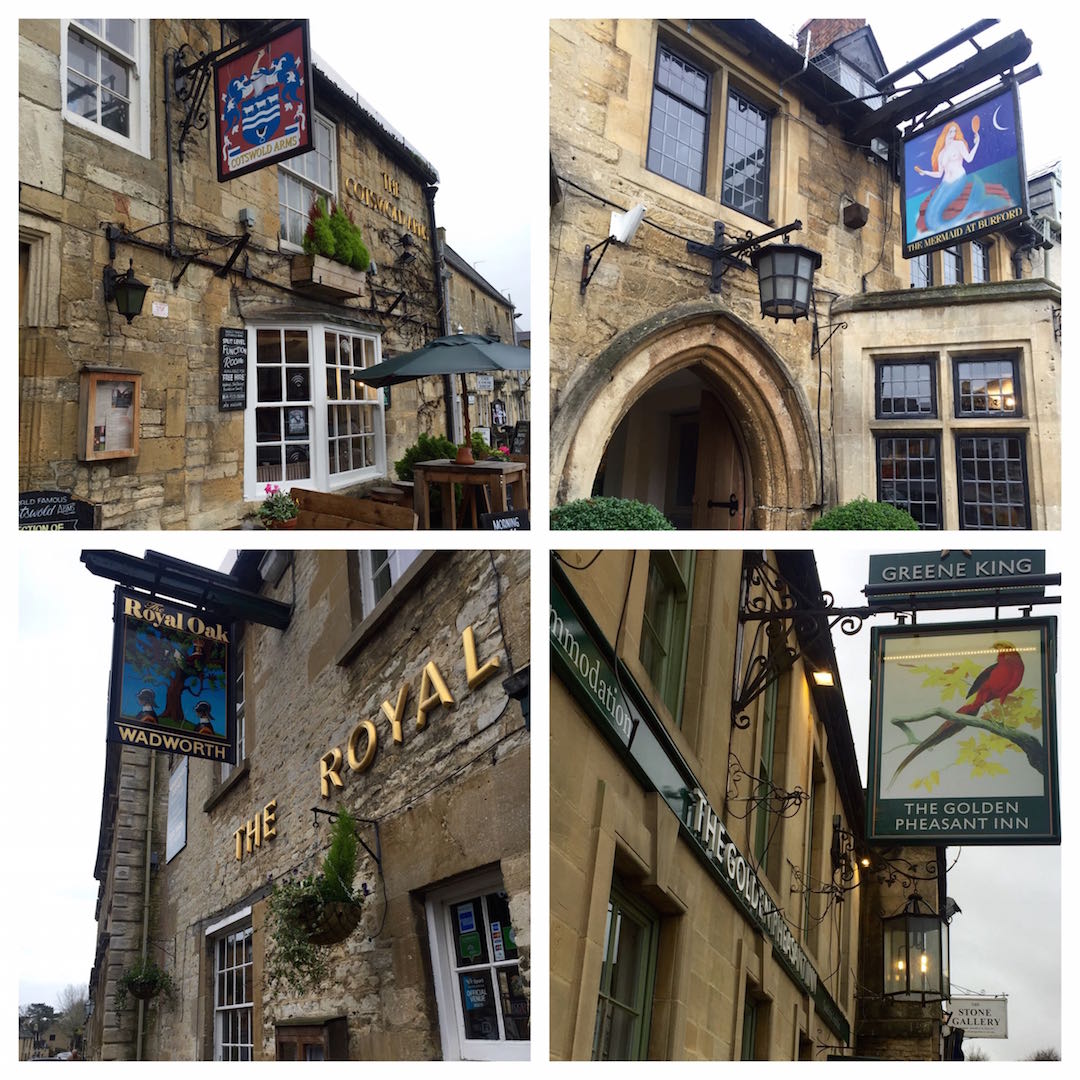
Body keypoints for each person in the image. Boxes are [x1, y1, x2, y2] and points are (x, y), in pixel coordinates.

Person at [911, 116, 1013, 236]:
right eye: (950, 131)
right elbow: (939, 174)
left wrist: (977, 143)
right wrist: (925, 172)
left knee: (936, 221)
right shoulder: (941, 153)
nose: (953, 134)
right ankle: (973, 206)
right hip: (945, 182)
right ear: (945, 132)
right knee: (930, 219)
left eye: (955, 131)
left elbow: (969, 159)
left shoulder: (959, 144)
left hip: (958, 179)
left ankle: (977, 205)